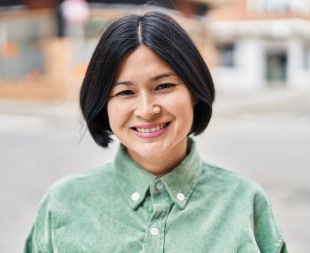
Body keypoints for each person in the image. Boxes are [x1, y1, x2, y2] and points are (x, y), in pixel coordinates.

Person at [24, 11, 288, 253]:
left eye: (163, 86)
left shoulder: (244, 201)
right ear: (104, 104)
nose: (147, 110)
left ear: (194, 91)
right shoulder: (62, 204)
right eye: (125, 92)